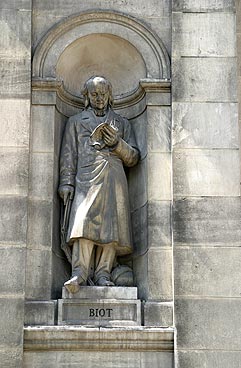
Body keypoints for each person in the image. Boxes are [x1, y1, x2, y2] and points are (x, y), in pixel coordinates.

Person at [58, 76, 139, 293]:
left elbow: (133, 157)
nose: (99, 98)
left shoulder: (121, 123)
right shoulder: (75, 122)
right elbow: (69, 154)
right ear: (87, 96)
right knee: (82, 223)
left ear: (110, 95)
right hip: (85, 179)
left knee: (111, 227)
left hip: (114, 178)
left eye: (103, 94)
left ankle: (104, 273)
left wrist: (118, 144)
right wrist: (65, 182)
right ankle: (79, 273)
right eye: (94, 94)